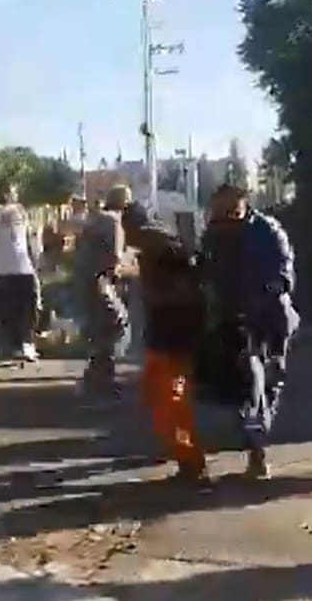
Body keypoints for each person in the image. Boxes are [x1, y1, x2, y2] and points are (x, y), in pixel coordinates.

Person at [199, 184, 298, 479]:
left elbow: (283, 270)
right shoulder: (214, 233)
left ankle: (258, 447)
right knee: (244, 381)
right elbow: (205, 268)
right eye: (220, 211)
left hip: (267, 315)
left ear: (243, 205)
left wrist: (267, 292)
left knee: (267, 378)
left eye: (230, 210)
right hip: (232, 314)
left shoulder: (267, 230)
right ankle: (255, 442)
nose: (224, 217)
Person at [122, 202, 211, 487]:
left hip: (171, 334)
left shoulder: (161, 249)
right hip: (170, 333)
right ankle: (185, 456)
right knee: (166, 398)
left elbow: (181, 294)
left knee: (169, 399)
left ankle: (190, 459)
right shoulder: (162, 246)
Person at [75, 185, 132, 400]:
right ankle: (98, 380)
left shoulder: (96, 219)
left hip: (85, 279)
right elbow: (116, 258)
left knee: (102, 329)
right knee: (117, 323)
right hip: (100, 280)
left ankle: (97, 379)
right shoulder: (115, 221)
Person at [0, 182, 41, 362]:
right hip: (22, 265)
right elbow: (29, 239)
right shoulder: (19, 211)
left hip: (1, 268)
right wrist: (36, 261)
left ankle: (15, 346)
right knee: (29, 305)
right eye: (13, 192)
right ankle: (26, 343)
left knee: (10, 309)